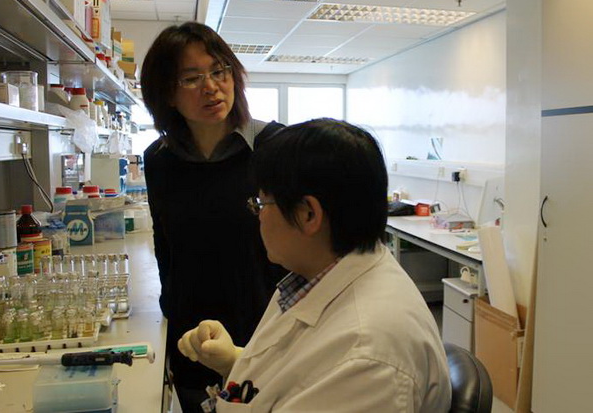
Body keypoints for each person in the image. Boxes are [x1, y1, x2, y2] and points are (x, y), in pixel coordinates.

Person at [178, 118, 452, 412]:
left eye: (261, 203)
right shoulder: (317, 274)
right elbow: (298, 373)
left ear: (308, 214)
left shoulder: (366, 359)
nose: (258, 216)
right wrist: (233, 360)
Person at [140, 22, 286, 411]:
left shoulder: (274, 148)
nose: (211, 87)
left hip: (265, 335)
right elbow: (165, 245)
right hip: (193, 340)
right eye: (191, 78)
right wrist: (172, 316)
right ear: (167, 94)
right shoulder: (159, 160)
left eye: (219, 71)